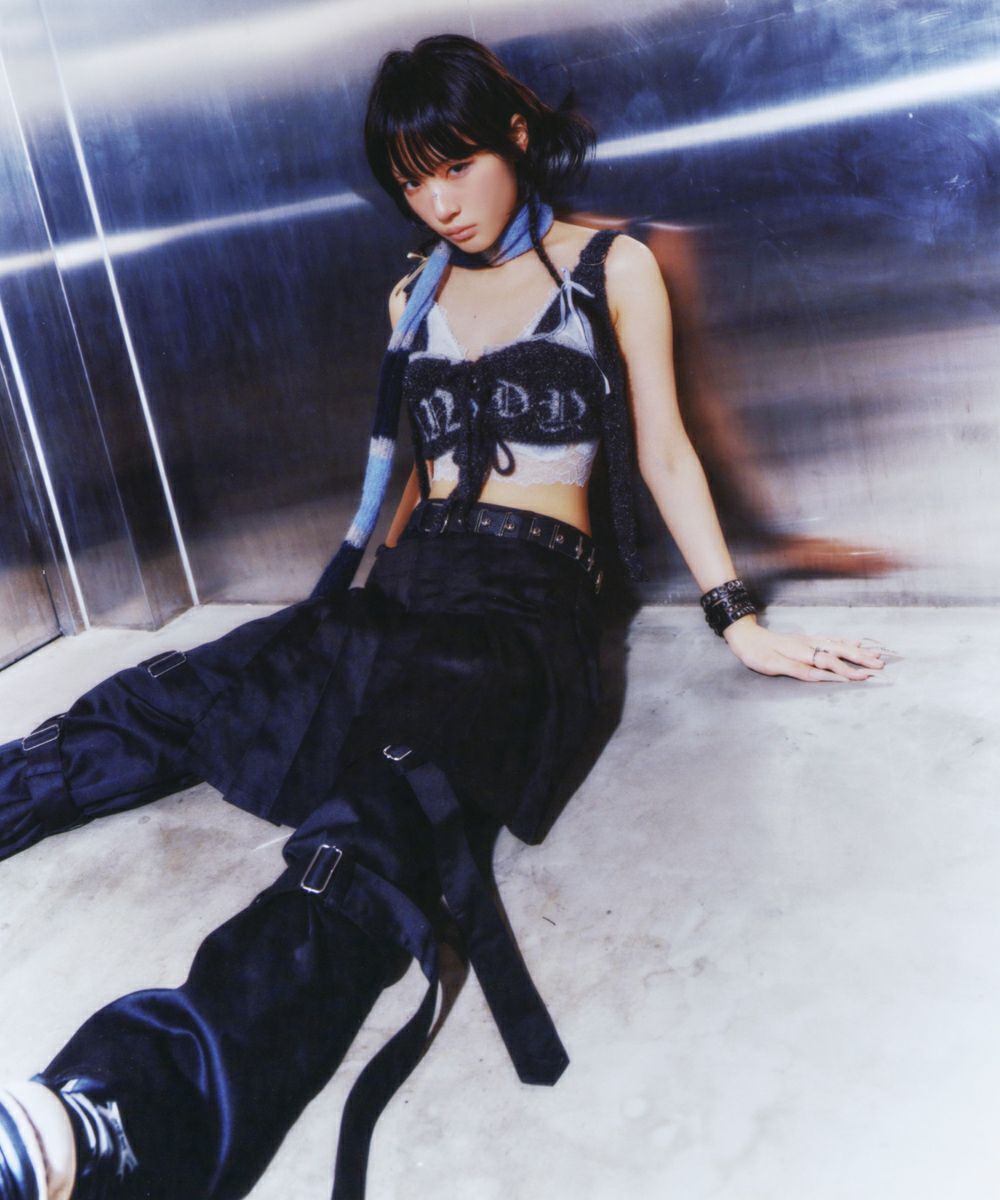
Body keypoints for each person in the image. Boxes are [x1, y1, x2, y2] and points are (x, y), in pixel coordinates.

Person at [0, 33, 887, 1200]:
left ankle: (114, 1113)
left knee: (373, 835)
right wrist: (332, 637)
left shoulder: (610, 266)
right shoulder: (410, 289)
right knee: (167, 693)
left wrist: (739, 619)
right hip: (411, 585)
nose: (438, 202)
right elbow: (413, 480)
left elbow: (666, 450)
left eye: (454, 166)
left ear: (513, 137)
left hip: (529, 608)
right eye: (412, 180)